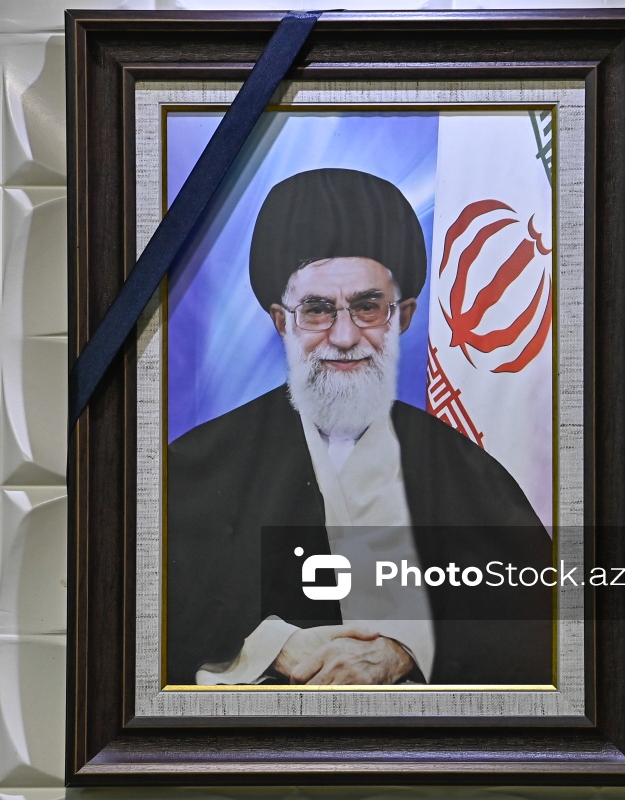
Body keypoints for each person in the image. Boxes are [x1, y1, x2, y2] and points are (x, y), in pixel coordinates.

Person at [165, 168, 553, 687]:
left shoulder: (464, 470)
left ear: (403, 317)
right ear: (282, 321)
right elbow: (147, 614)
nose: (345, 336)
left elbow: (540, 625)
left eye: (368, 307)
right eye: (317, 310)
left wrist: (406, 652)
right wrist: (274, 646)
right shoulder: (198, 465)